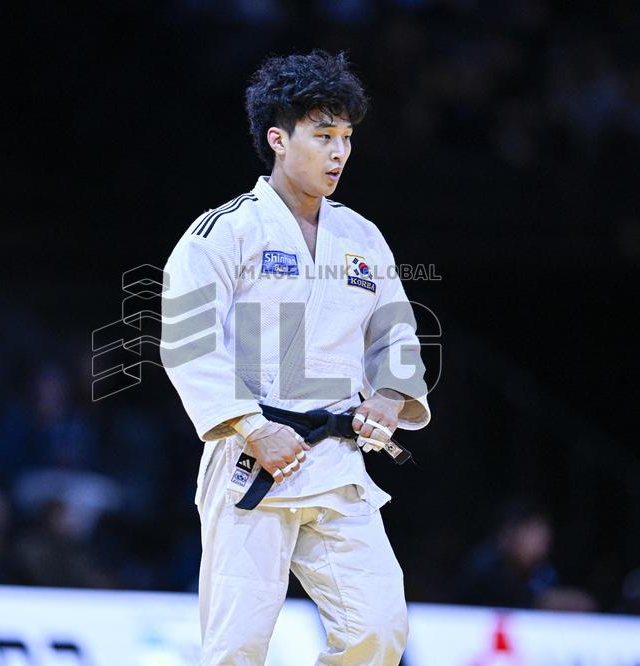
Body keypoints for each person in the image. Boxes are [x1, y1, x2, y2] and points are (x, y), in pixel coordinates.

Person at [160, 51, 431, 665]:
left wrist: (388, 396)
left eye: (346, 138)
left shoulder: (362, 237)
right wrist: (254, 428)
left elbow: (394, 333)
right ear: (279, 140)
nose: (339, 153)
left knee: (379, 630)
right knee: (237, 647)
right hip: (251, 461)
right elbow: (186, 339)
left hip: (335, 462)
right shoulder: (225, 231)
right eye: (323, 135)